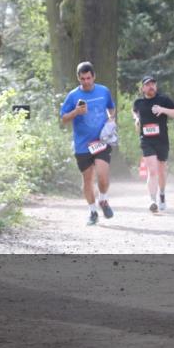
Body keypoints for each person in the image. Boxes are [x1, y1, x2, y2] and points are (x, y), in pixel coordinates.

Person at [60, 62, 117, 225]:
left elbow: (111, 108)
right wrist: (76, 112)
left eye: (88, 78)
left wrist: (110, 120)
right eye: (82, 78)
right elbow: (63, 119)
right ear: (78, 78)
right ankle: (93, 212)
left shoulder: (103, 91)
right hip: (82, 145)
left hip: (101, 141)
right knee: (87, 180)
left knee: (103, 175)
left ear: (94, 76)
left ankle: (104, 200)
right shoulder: (72, 96)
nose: (86, 81)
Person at [132, 75, 174, 212]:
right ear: (143, 88)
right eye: (147, 84)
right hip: (146, 140)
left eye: (153, 84)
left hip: (162, 140)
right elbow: (135, 112)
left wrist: (162, 110)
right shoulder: (138, 102)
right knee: (152, 170)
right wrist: (136, 119)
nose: (151, 86)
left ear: (156, 86)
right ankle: (152, 200)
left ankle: (162, 194)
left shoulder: (163, 99)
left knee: (161, 170)